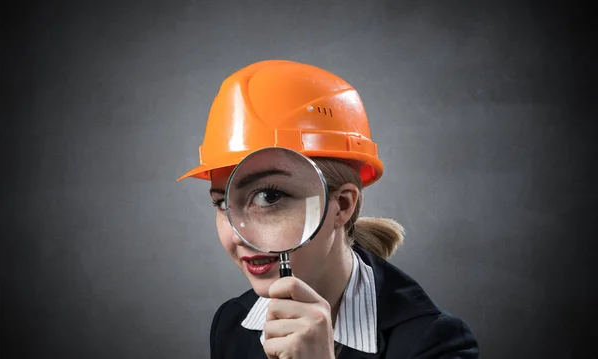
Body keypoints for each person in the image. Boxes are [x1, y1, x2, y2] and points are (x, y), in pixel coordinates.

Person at [177, 60, 479, 359]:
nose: (237, 235)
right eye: (221, 203)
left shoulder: (437, 344)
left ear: (342, 205)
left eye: (268, 197)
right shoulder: (232, 324)